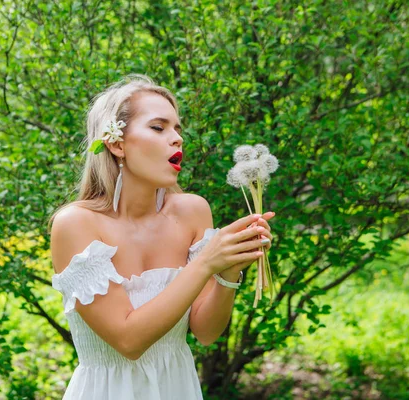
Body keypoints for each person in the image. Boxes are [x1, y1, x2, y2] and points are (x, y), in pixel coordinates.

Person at [48, 74, 274, 400]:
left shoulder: (192, 211)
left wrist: (228, 269)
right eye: (158, 127)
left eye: (178, 129)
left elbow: (207, 331)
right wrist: (207, 262)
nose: (177, 139)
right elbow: (128, 341)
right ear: (116, 143)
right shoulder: (76, 224)